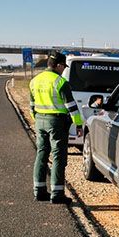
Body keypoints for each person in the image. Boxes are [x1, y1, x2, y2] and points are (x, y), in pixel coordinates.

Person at [29, 52, 83, 204]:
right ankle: (57, 194)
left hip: (40, 120)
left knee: (41, 154)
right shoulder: (61, 83)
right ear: (58, 65)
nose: (63, 70)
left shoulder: (34, 81)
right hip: (57, 123)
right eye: (63, 67)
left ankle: (39, 191)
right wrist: (78, 124)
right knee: (58, 157)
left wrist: (39, 119)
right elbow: (72, 108)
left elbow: (31, 107)